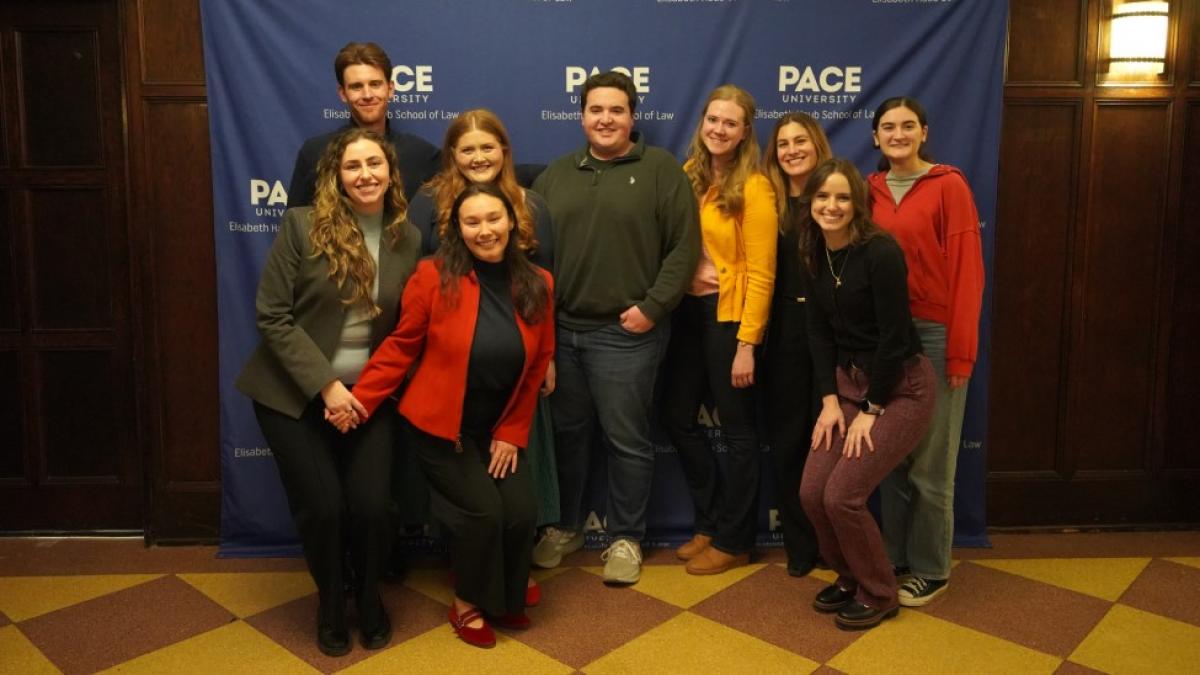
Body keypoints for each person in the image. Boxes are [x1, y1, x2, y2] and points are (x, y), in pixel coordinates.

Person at [340, 183, 555, 649]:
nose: (485, 230)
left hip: (499, 428)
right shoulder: (432, 276)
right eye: (472, 222)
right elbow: (400, 348)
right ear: (457, 230)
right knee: (483, 512)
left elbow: (538, 362)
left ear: (512, 222)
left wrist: (513, 433)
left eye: (494, 219)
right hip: (441, 427)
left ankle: (508, 593)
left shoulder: (539, 282)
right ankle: (469, 602)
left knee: (520, 513)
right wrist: (361, 401)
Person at [235, 128, 419, 656]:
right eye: (352, 166)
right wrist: (328, 388)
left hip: (370, 397)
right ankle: (332, 604)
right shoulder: (301, 227)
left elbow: (407, 329)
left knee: (373, 508)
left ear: (390, 171)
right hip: (293, 395)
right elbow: (272, 315)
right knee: (325, 508)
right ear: (335, 178)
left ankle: (369, 595)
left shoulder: (407, 237)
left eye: (375, 164)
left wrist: (363, 394)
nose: (365, 174)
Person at [530, 70, 700, 585]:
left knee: (626, 439)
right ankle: (566, 526)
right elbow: (531, 258)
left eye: (617, 110)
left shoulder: (661, 170)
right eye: (596, 110)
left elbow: (683, 249)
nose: (606, 119)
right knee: (568, 436)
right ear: (581, 116)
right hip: (563, 331)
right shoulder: (554, 177)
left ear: (632, 116)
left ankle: (626, 537)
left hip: (627, 334)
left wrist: (652, 307)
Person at [407, 108, 557, 607]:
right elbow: (418, 279)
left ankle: (504, 571)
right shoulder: (427, 202)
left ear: (504, 151)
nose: (478, 157)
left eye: (487, 147)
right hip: (449, 364)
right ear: (453, 155)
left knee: (509, 477)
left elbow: (544, 279)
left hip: (513, 363)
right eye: (467, 149)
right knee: (470, 491)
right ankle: (471, 572)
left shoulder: (531, 202)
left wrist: (544, 356)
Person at [798, 158, 936, 630]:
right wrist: (829, 401)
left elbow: (895, 339)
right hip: (848, 387)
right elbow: (817, 333)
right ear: (810, 202)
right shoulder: (814, 248)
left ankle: (879, 593)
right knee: (813, 492)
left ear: (857, 203)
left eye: (841, 197)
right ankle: (849, 577)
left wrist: (872, 409)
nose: (831, 206)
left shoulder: (880, 252)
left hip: (900, 388)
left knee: (842, 495)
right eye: (822, 197)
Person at [868, 97, 985, 607]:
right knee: (892, 458)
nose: (897, 134)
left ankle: (932, 568)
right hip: (883, 338)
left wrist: (960, 354)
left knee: (932, 463)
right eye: (888, 127)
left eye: (907, 126)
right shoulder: (865, 191)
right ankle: (896, 557)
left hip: (934, 335)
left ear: (923, 132)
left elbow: (966, 274)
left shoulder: (948, 186)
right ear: (875, 137)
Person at [661, 85, 776, 575]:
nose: (719, 130)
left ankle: (735, 539)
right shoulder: (688, 176)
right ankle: (710, 521)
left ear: (746, 131)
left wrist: (747, 344)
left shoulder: (755, 186)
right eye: (713, 120)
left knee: (739, 431)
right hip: (685, 311)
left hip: (728, 318)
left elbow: (763, 271)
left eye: (730, 123)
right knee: (676, 417)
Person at [761, 113, 833, 577]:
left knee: (830, 444)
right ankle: (800, 547)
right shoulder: (768, 201)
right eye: (783, 143)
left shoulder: (836, 194)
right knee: (788, 443)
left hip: (831, 327)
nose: (791, 150)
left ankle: (835, 544)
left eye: (800, 140)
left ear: (817, 144)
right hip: (784, 327)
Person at [287, 41, 439, 205]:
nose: (367, 94)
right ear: (343, 93)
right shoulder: (316, 154)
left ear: (390, 89)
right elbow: (294, 226)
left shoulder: (422, 156)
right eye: (356, 86)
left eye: (375, 84)